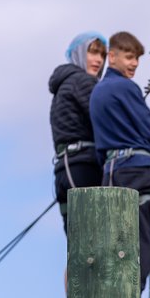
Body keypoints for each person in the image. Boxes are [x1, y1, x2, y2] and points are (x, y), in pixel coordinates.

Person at [89, 31, 150, 292]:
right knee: (146, 237)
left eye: (137, 60)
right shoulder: (126, 88)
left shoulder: (98, 92)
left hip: (110, 171)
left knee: (117, 241)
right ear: (113, 56)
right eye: (129, 57)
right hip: (137, 170)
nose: (133, 64)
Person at [49, 32, 107, 234]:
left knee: (78, 244)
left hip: (64, 170)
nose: (98, 60)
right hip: (84, 166)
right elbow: (104, 119)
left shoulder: (63, 85)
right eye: (92, 52)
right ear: (79, 54)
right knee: (97, 238)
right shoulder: (83, 82)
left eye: (102, 55)